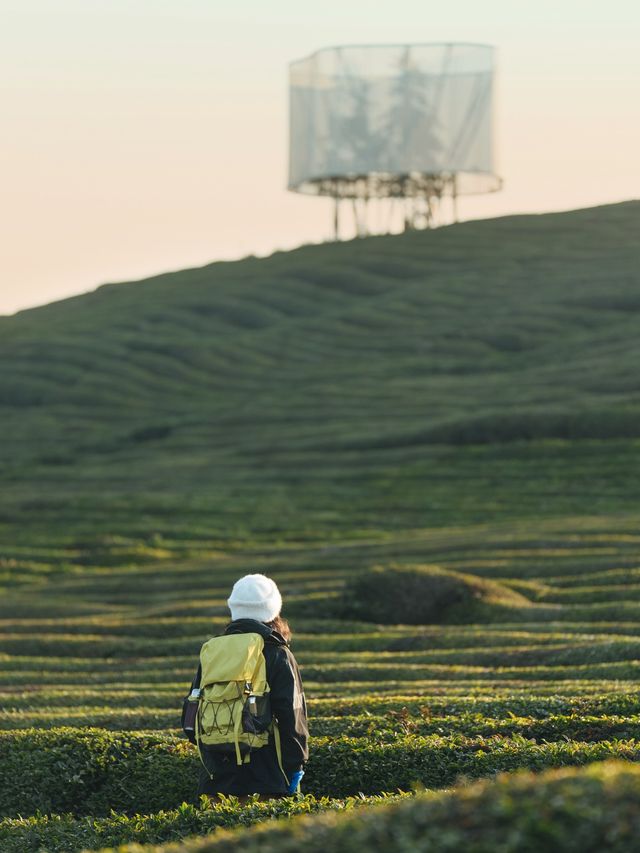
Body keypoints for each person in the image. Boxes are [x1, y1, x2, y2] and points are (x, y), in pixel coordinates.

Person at [184, 573, 308, 799]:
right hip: (267, 780)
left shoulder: (213, 651)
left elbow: (191, 714)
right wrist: (295, 766)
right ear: (273, 610)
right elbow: (292, 715)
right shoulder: (277, 653)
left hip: (215, 782)